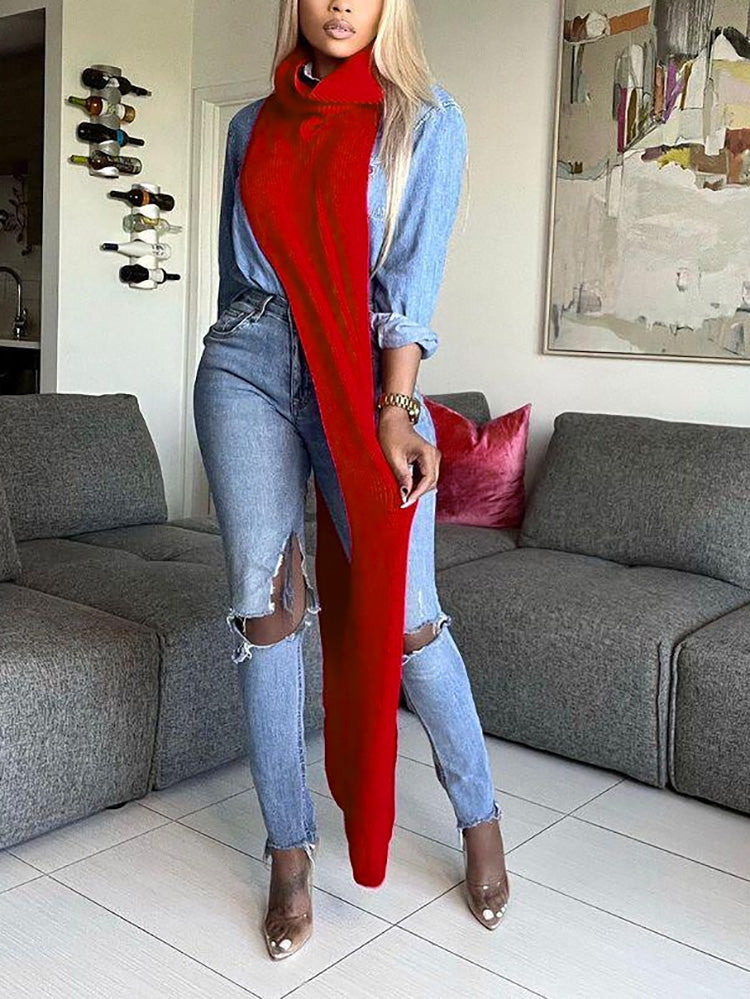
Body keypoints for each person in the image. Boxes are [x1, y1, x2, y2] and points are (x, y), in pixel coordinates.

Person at [193, 0, 510, 961]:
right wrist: (246, 347)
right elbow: (236, 273)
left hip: (364, 374)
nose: (341, 3)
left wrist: (398, 406)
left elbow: (411, 281)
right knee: (266, 610)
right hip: (247, 360)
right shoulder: (250, 126)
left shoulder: (426, 121)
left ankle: (480, 818)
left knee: (408, 618)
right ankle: (288, 854)